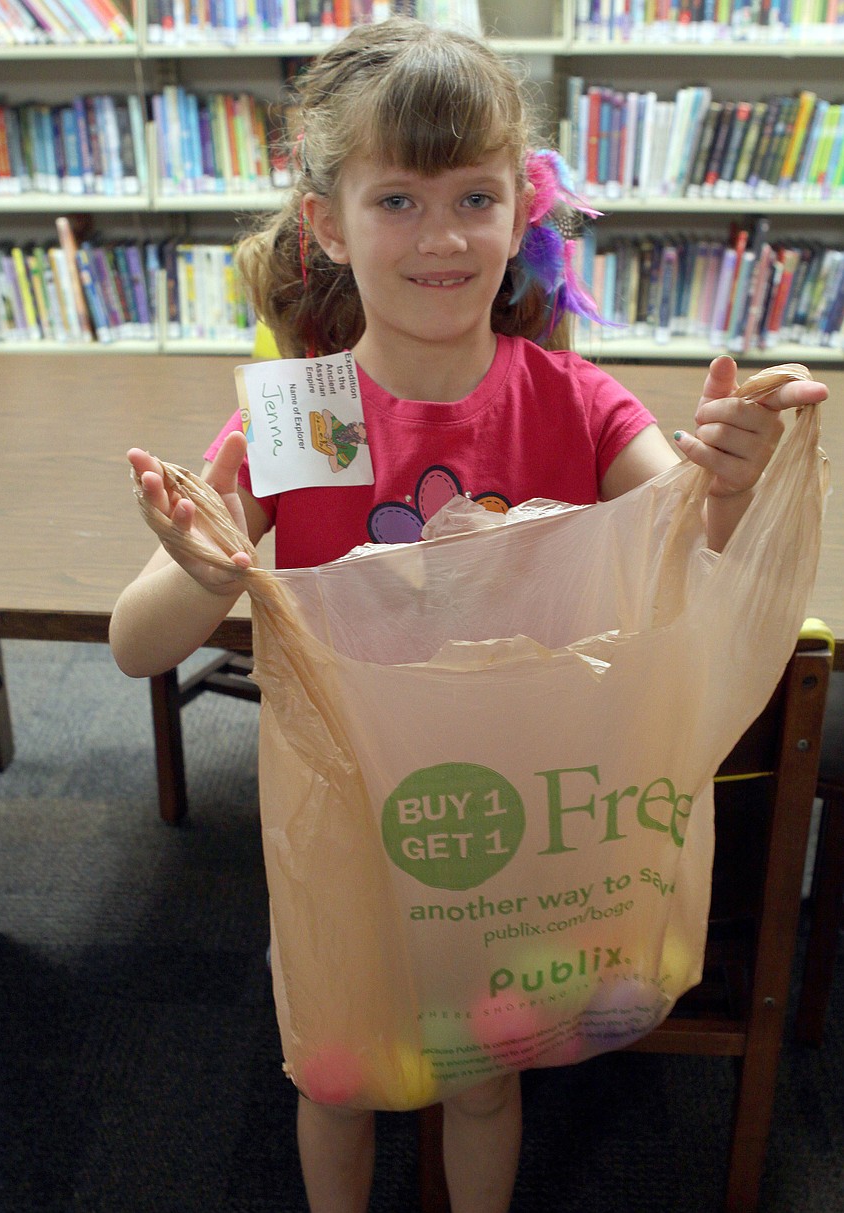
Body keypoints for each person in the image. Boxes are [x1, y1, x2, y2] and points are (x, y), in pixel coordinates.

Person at [109, 18, 828, 1213]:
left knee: (487, 1075)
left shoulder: (577, 402)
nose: (441, 237)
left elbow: (702, 560)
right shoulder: (304, 419)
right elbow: (137, 643)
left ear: (519, 212)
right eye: (396, 200)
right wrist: (211, 569)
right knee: (336, 1078)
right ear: (329, 223)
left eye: (473, 197)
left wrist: (733, 481)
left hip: (519, 833)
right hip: (350, 821)